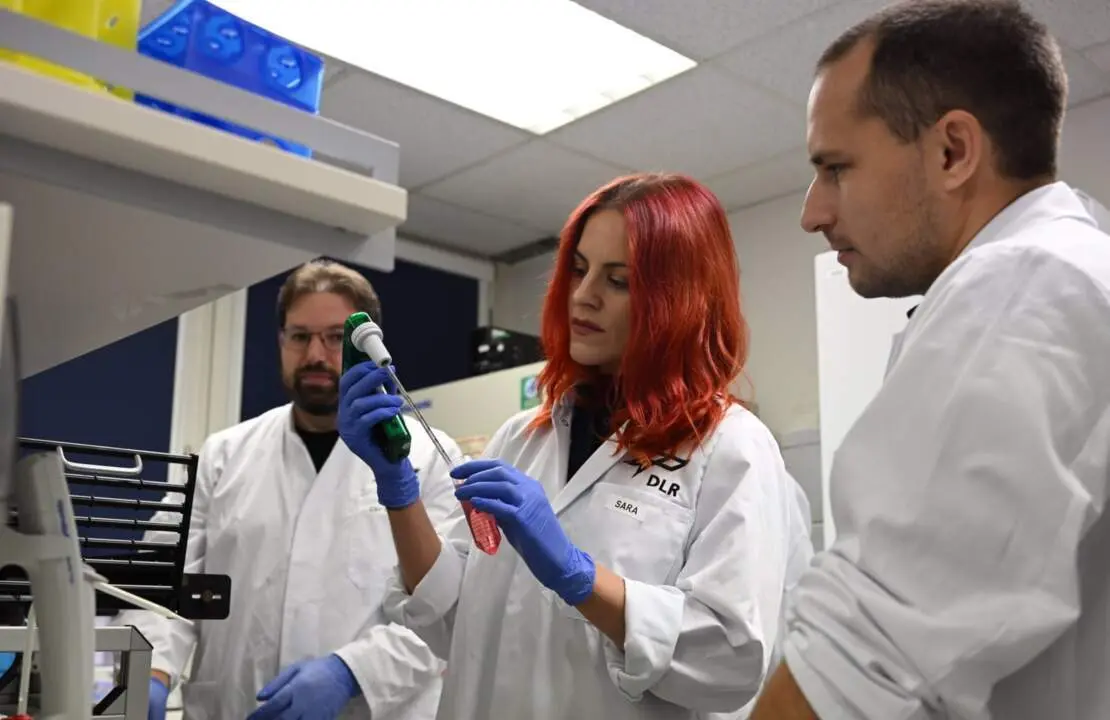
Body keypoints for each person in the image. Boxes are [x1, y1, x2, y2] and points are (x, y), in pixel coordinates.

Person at [339, 172, 815, 720]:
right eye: (580, 270)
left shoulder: (731, 447)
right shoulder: (523, 436)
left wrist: (577, 575)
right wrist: (398, 488)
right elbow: (450, 621)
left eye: (619, 280)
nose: (584, 296)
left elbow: (729, 661)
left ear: (679, 299)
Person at [749, 2, 1110, 719]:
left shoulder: (1021, 286)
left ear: (952, 152)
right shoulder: (1070, 269)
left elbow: (859, 666)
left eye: (836, 168)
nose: (813, 212)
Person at [116, 259, 459, 720]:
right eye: (300, 336)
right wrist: (151, 674)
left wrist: (351, 671)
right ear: (281, 341)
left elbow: (445, 609)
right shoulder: (222, 456)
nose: (316, 354)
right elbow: (162, 585)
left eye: (335, 338)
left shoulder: (428, 457)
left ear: (367, 345)